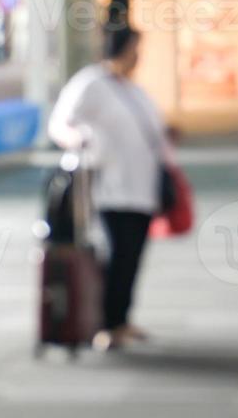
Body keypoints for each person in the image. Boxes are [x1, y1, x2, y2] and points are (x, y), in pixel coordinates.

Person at [47, 26, 169, 352]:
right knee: (117, 255)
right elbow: (61, 123)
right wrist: (79, 141)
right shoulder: (91, 83)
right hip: (111, 189)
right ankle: (106, 323)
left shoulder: (132, 90)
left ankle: (121, 319)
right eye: (134, 49)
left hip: (142, 188)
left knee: (132, 256)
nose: (138, 56)